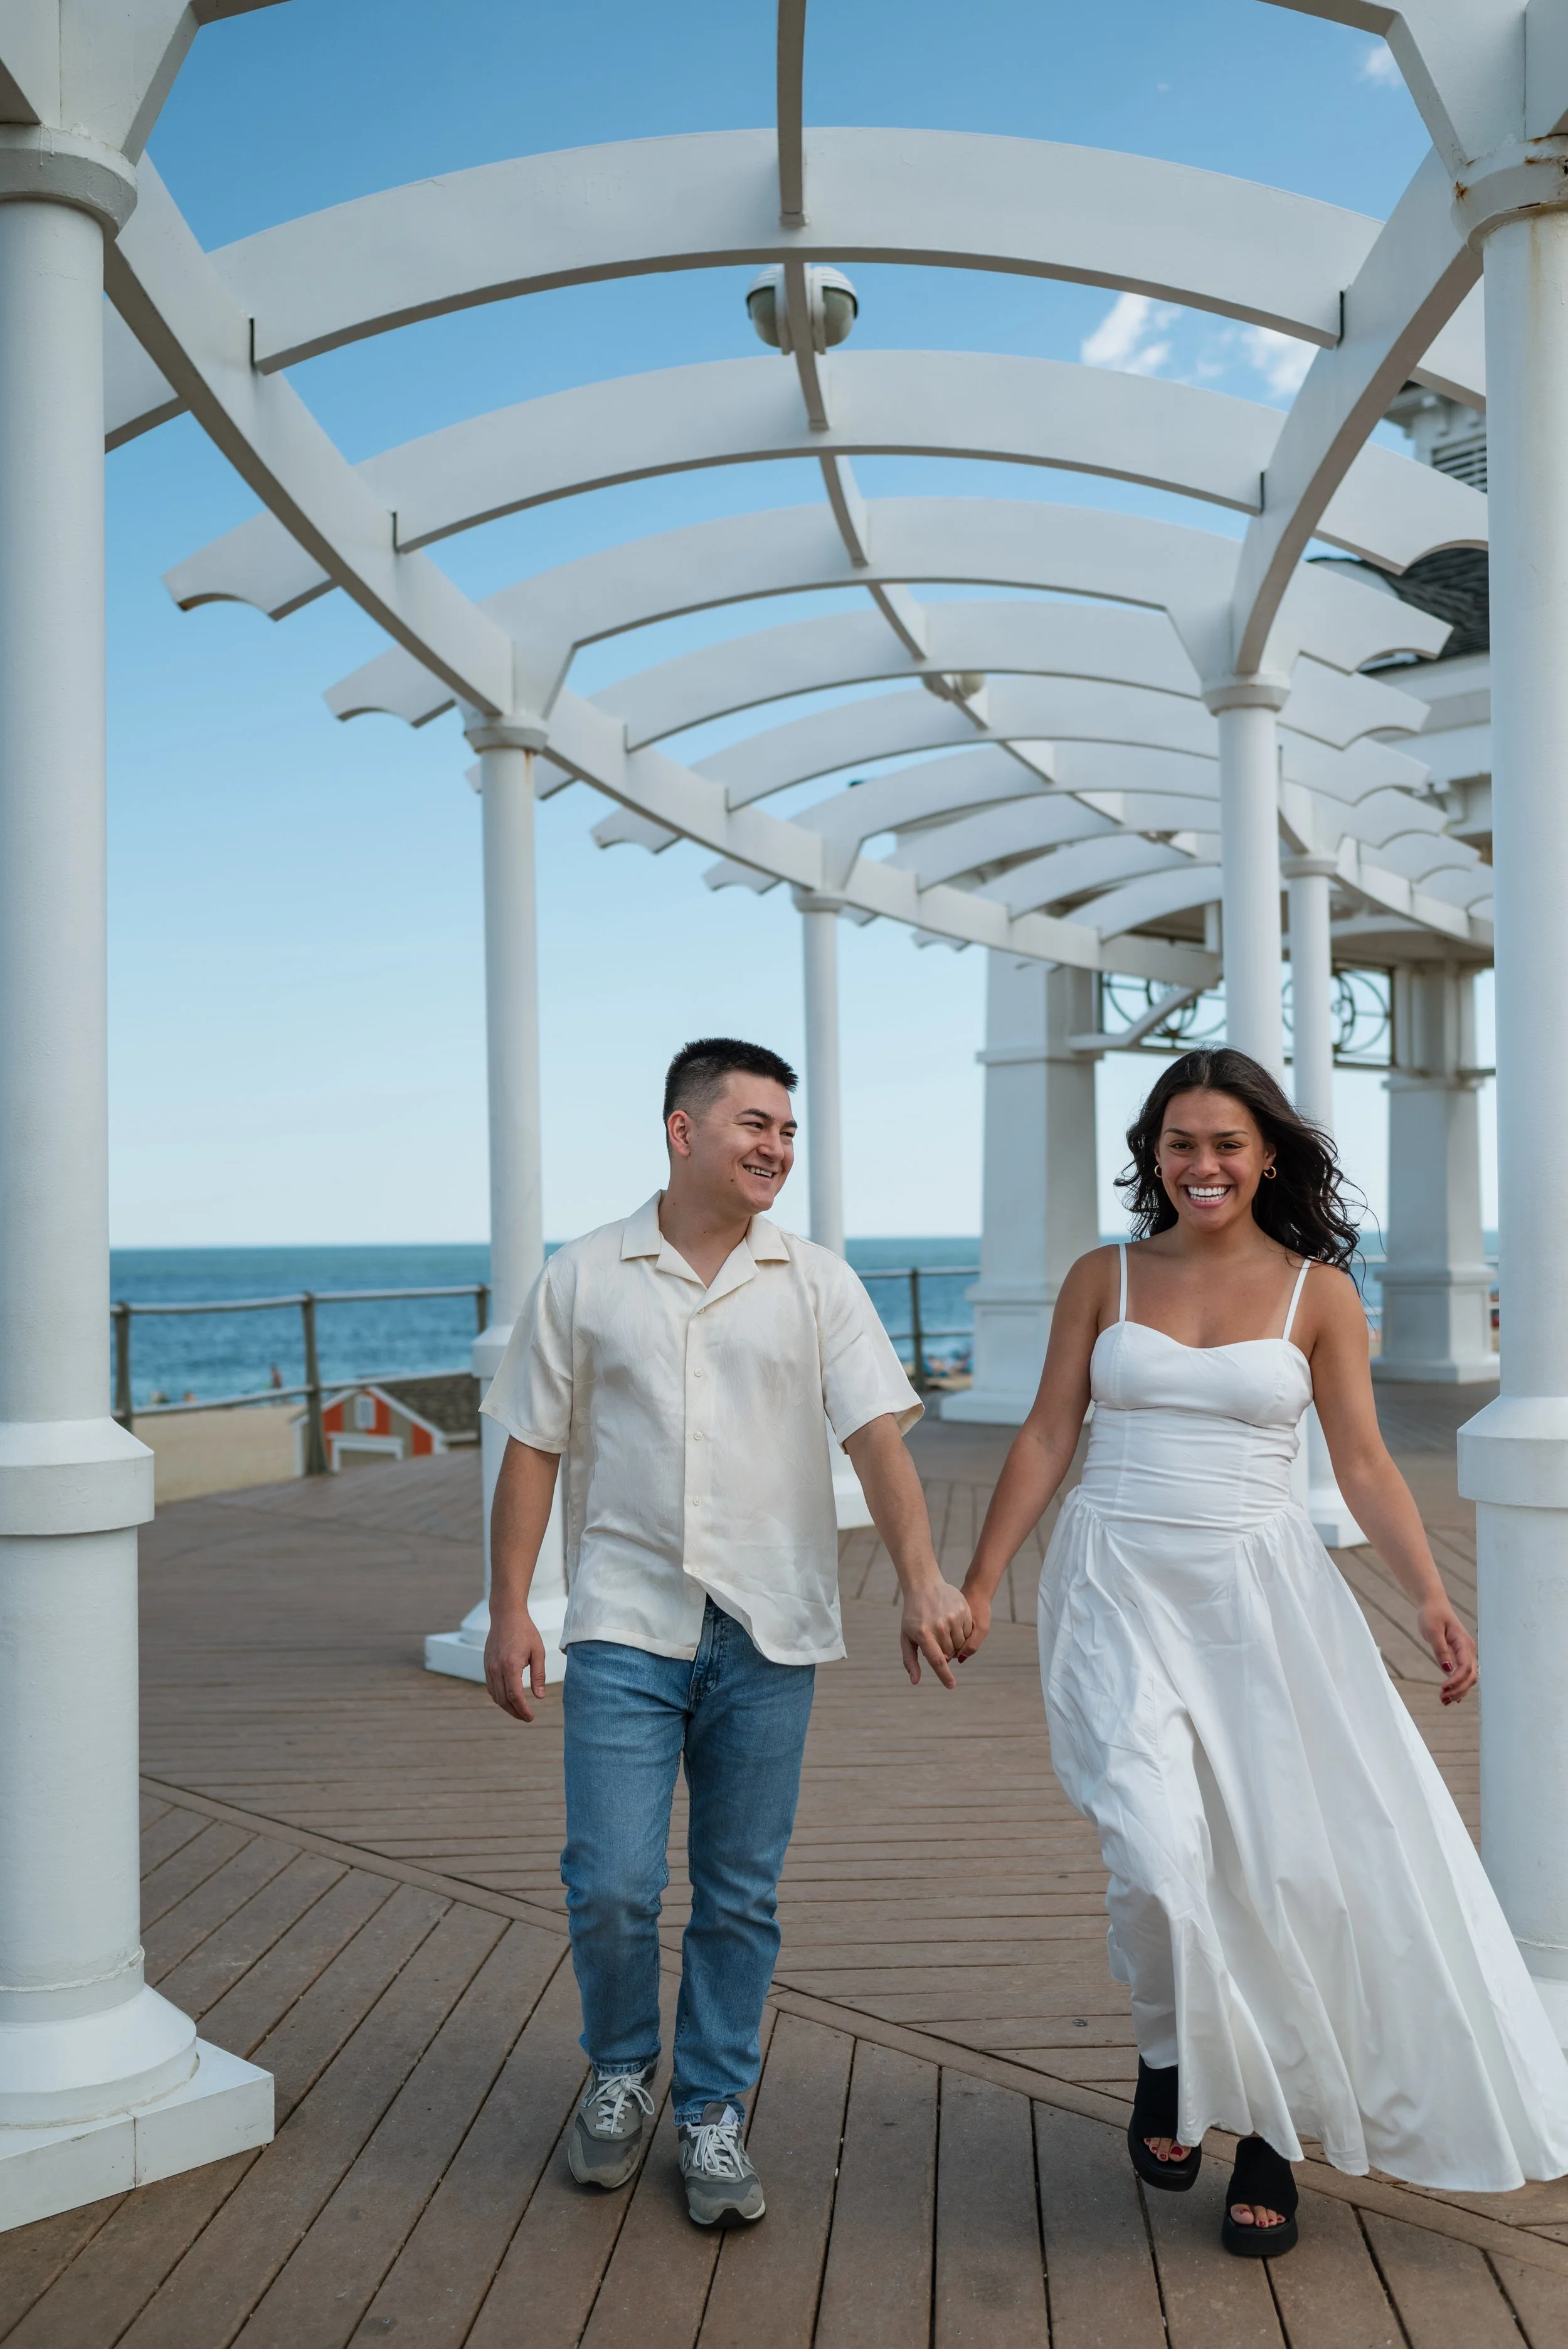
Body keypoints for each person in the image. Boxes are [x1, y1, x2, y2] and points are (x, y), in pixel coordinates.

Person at [960, 1047, 1568, 2259]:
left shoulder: (1319, 1293)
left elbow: (1366, 1464)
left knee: (1283, 1869)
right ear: (1154, 1157)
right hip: (1116, 1579)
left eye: (1226, 1144)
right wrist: (978, 1584)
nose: (1203, 1165)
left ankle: (1268, 2138)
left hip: (1261, 1599)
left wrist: (1432, 1599)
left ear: (1267, 1155)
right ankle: (1169, 2049)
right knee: (1152, 1847)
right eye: (1180, 1143)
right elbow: (1044, 1433)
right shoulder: (1105, 1276)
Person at [480, 1037, 972, 2227]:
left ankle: (711, 2107)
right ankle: (619, 2066)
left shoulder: (818, 1281)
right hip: (625, 1624)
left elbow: (877, 1442)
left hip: (770, 1629)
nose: (777, 1149)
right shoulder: (586, 1274)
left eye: (789, 1131)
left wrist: (921, 1579)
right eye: (756, 1124)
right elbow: (533, 1448)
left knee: (739, 1896)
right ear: (682, 1130)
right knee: (610, 1883)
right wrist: (507, 1609)